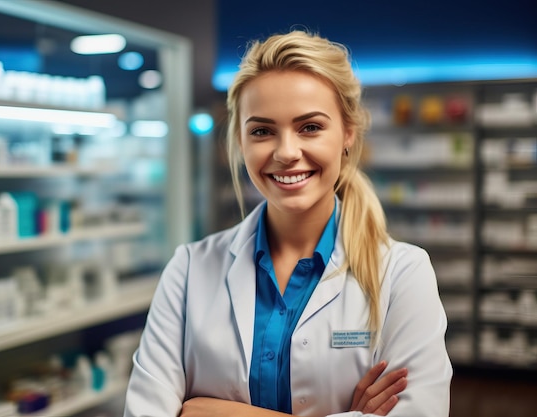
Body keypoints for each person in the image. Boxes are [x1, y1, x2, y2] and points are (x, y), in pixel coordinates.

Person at [123, 30, 452, 417]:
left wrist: (214, 412)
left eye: (310, 127)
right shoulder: (188, 269)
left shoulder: (402, 274)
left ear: (347, 133)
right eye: (262, 131)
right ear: (240, 142)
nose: (286, 152)